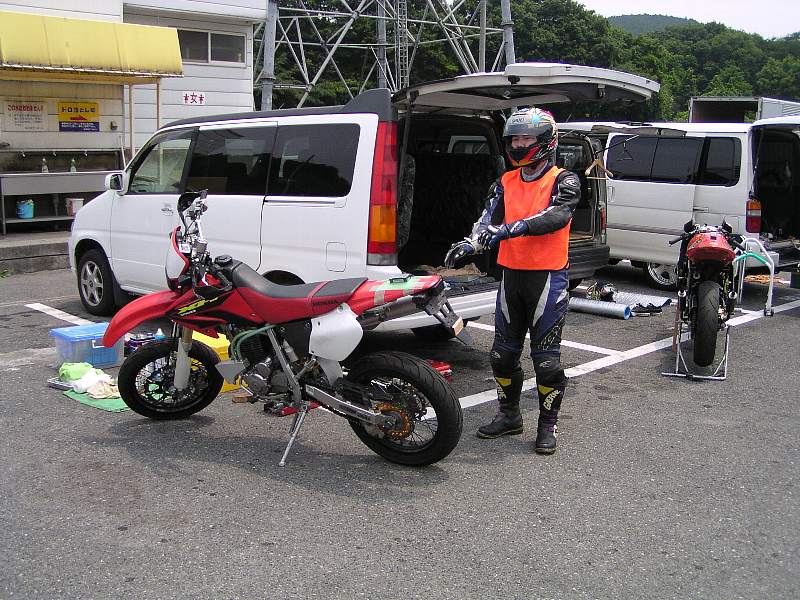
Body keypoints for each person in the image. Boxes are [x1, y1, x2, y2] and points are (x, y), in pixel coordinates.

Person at [444, 107, 580, 454]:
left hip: (548, 278)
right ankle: (509, 416)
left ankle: (547, 425)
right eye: (514, 139)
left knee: (546, 362)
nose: (519, 145)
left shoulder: (564, 180)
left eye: (526, 139)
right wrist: (471, 244)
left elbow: (556, 216)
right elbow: (486, 219)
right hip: (511, 277)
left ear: (546, 141)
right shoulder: (505, 181)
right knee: (502, 356)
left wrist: (508, 231)